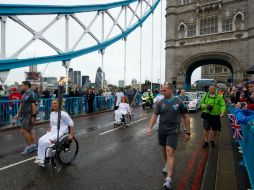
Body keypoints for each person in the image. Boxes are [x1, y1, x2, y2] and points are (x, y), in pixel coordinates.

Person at [146, 83, 191, 190]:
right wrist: (150, 127)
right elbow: (154, 115)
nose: (162, 92)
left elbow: (186, 117)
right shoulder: (160, 103)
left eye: (164, 90)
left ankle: (168, 180)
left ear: (171, 90)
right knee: (164, 151)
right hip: (162, 131)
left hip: (173, 131)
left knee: (170, 151)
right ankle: (167, 163)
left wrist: (188, 132)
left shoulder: (179, 103)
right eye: (162, 90)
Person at [35, 100, 74, 166]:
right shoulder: (52, 113)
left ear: (59, 105)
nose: (53, 104)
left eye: (55, 103)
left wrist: (71, 135)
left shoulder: (63, 114)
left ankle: (47, 159)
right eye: (52, 103)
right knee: (40, 140)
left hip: (61, 132)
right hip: (53, 131)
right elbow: (51, 124)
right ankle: (40, 158)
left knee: (47, 142)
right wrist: (48, 132)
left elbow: (71, 123)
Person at [16, 81, 38, 154]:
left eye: (22, 85)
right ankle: (33, 145)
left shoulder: (32, 94)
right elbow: (22, 104)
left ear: (27, 86)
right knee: (28, 130)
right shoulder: (24, 94)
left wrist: (33, 116)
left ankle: (29, 146)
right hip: (24, 115)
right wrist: (18, 113)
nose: (21, 86)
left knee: (23, 131)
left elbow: (34, 105)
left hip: (29, 114)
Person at [201, 84, 226, 148]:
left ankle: (212, 140)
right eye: (211, 89)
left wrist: (222, 112)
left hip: (215, 115)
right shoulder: (205, 95)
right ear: (209, 89)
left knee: (214, 129)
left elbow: (223, 105)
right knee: (206, 129)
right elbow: (201, 104)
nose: (212, 90)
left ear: (215, 89)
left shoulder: (219, 97)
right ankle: (206, 142)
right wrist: (205, 106)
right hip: (207, 114)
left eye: (213, 89)